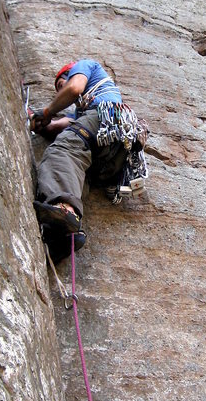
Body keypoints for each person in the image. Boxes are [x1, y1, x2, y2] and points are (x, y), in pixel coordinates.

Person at [30, 59, 133, 260]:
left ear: (69, 72)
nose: (61, 90)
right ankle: (64, 234)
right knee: (79, 175)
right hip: (115, 150)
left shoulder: (86, 65)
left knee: (62, 150)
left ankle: (65, 209)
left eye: (61, 84)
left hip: (105, 119)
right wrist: (42, 125)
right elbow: (63, 126)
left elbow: (74, 88)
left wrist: (47, 111)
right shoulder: (82, 111)